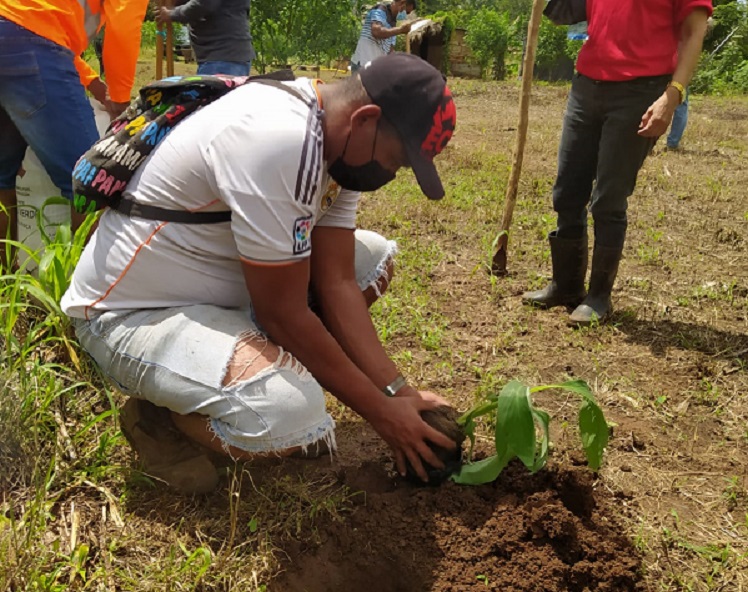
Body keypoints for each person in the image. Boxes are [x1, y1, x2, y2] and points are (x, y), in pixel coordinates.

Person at [61, 53, 459, 494]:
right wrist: (383, 417)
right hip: (133, 315)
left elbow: (338, 281)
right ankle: (160, 419)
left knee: (371, 260)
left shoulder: (335, 146)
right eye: (396, 159)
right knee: (289, 414)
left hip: (218, 291)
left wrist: (399, 392)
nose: (391, 173)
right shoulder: (280, 140)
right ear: (366, 120)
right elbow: (283, 315)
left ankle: (232, 373)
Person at [522, 0, 712, 326]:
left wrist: (673, 94)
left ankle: (598, 297)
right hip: (586, 85)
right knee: (567, 191)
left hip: (640, 90)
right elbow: (560, 11)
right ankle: (566, 286)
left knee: (609, 198)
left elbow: (695, 32)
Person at [0, 0, 148, 244]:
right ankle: (93, 282)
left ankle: (6, 280)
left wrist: (93, 82)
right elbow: (123, 25)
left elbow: (38, 16)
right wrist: (120, 99)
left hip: (16, 31)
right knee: (92, 181)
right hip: (32, 43)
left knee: (2, 179)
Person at [156, 0, 255, 77]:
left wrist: (172, 14)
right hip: (228, 55)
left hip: (221, 56)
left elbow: (203, 4)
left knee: (216, 101)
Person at [350, 1, 413, 73]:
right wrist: (400, 30)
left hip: (374, 69)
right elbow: (376, 32)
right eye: (407, 12)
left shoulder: (393, 25)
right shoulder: (380, 10)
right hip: (362, 64)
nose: (406, 16)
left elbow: (390, 51)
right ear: (402, 3)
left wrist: (402, 62)